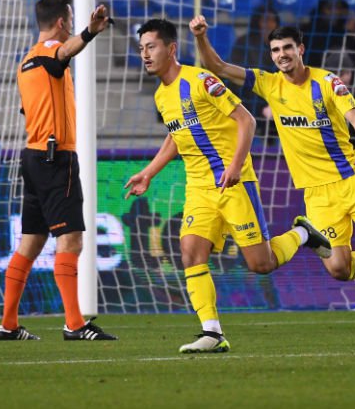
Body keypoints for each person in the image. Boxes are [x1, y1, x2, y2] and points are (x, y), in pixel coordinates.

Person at [190, 16, 355, 345]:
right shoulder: (268, 84)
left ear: (300, 49)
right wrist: (201, 37)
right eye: (275, 50)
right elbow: (215, 65)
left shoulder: (327, 82)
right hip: (316, 194)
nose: (281, 54)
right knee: (340, 270)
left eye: (288, 47)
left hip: (351, 180)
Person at [124, 18, 331, 354]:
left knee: (260, 264)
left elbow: (246, 120)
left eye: (151, 46)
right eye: (141, 48)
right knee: (190, 252)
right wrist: (149, 172)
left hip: (234, 183)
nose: (145, 54)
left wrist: (235, 166)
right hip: (200, 187)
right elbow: (177, 137)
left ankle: (303, 233)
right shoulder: (162, 96)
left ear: (171, 49)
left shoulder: (201, 80)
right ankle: (212, 332)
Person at [0, 0, 117, 341]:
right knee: (71, 239)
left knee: (30, 243)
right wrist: (90, 32)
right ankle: (75, 324)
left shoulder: (25, 62)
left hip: (32, 157)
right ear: (63, 22)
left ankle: (8, 324)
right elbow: (65, 53)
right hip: (55, 158)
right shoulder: (51, 53)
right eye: (73, 19)